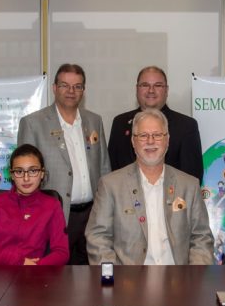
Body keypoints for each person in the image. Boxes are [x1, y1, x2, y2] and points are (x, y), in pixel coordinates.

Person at [87, 109, 214, 265]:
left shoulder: (189, 185)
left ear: (167, 140)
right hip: (128, 284)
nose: (150, 141)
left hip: (179, 282)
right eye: (143, 135)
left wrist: (193, 277)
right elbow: (98, 238)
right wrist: (113, 278)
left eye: (157, 135)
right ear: (133, 142)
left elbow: (202, 237)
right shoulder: (110, 185)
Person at [18, 63, 110, 265]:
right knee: (55, 281)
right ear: (54, 88)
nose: (71, 91)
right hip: (53, 217)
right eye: (65, 85)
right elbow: (24, 176)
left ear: (83, 91)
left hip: (91, 217)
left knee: (90, 280)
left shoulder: (94, 121)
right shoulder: (33, 123)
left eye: (77, 86)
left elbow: (104, 167)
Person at [0, 144, 69, 266]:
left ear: (42, 173)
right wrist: (19, 262)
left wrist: (36, 267)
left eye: (33, 170)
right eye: (19, 171)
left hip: (34, 276)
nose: (26, 178)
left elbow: (62, 253)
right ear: (12, 175)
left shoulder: (52, 206)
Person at [108, 66, 203, 183]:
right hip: (125, 199)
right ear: (136, 89)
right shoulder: (120, 123)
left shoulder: (186, 126)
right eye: (145, 85)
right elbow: (112, 171)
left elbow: (192, 178)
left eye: (158, 85)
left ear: (166, 90)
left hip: (170, 198)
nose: (151, 90)